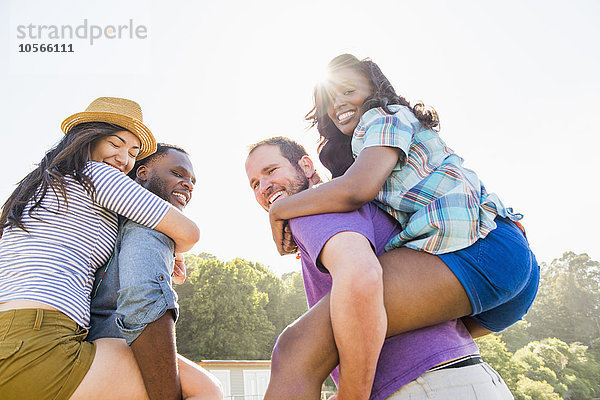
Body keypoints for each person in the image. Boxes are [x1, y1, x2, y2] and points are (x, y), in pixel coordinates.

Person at [266, 55, 539, 393]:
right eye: (328, 101)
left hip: (480, 250)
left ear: (375, 89)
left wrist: (280, 210)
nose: (338, 104)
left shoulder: (383, 116)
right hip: (501, 269)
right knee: (395, 337)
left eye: (348, 90)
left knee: (299, 346)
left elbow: (356, 190)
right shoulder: (368, 148)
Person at [245, 137, 515, 399]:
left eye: (271, 171)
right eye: (255, 183)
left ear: (306, 166)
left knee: (293, 349)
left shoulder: (309, 209)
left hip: (420, 386)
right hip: (466, 376)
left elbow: (361, 276)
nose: (264, 187)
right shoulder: (354, 206)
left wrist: (351, 396)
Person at [0, 97, 200, 399]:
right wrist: (177, 246)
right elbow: (190, 232)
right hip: (41, 342)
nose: (124, 160)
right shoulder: (96, 174)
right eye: (115, 144)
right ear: (88, 137)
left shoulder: (37, 189)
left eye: (133, 153)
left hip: (14, 335)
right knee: (205, 388)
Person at [87, 143, 223, 400]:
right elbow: (143, 297)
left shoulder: (108, 221)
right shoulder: (151, 227)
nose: (188, 184)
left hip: (87, 343)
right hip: (110, 343)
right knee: (208, 390)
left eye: (192, 180)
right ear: (143, 172)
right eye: (178, 173)